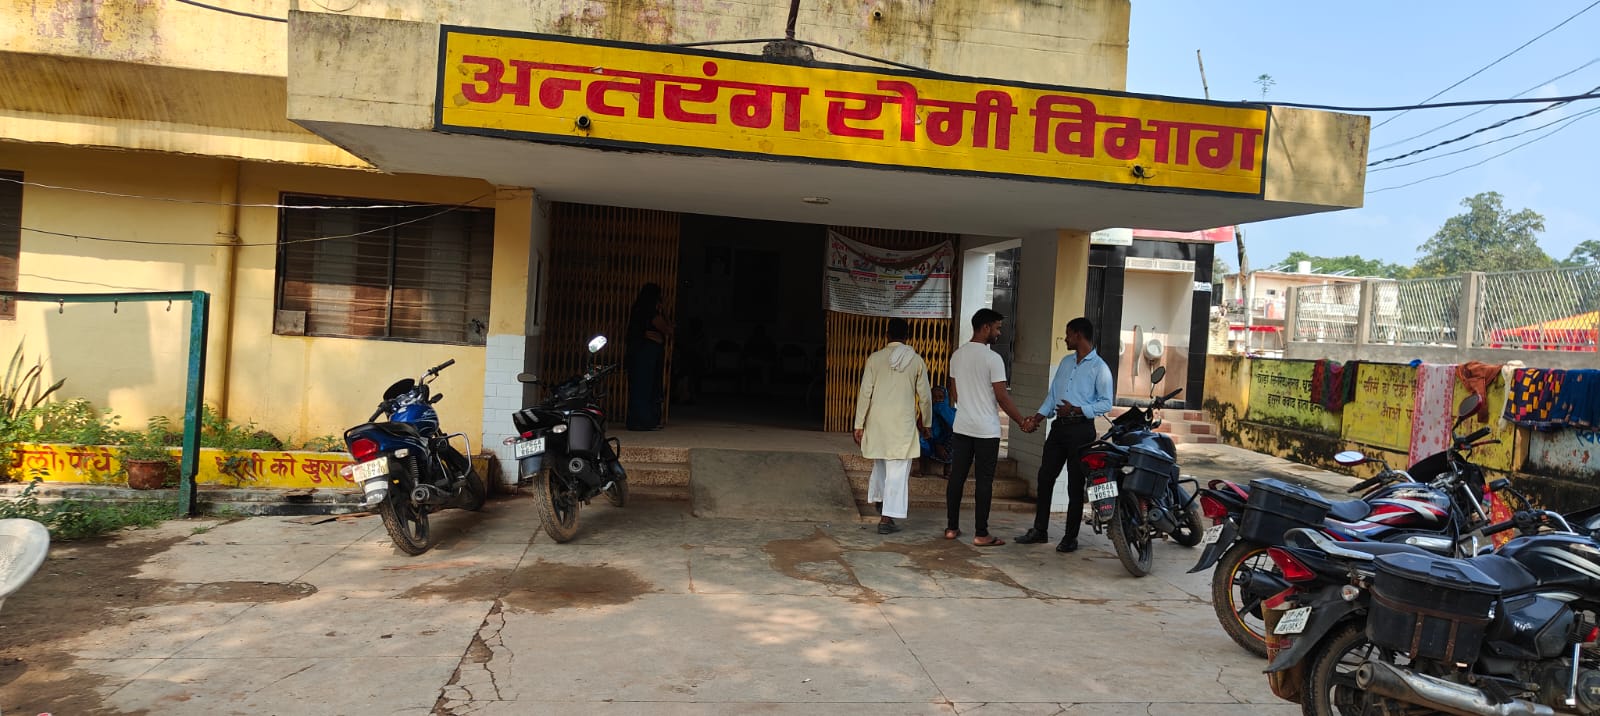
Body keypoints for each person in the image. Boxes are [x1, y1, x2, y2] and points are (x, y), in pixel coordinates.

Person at [1015, 317, 1115, 553]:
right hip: (1059, 428)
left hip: (1081, 430)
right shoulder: (1065, 362)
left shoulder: (1099, 367)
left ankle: (1070, 537)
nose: (1066, 338)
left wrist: (1078, 409)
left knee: (1075, 484)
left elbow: (1106, 403)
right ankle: (1040, 530)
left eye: (1068, 334)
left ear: (1078, 335)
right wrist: (1037, 418)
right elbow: (1053, 396)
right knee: (1045, 477)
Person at [945, 308, 1036, 546]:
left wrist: (969, 405)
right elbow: (1002, 397)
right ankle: (981, 533)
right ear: (985, 327)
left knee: (957, 477)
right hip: (986, 430)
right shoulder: (993, 359)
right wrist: (1022, 422)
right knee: (984, 481)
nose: (999, 333)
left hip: (962, 427)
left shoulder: (957, 356)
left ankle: (951, 528)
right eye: (997, 328)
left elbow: (955, 393)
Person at [853, 318, 932, 535]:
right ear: (907, 336)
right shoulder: (916, 361)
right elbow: (925, 397)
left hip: (877, 422)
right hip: (901, 424)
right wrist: (926, 423)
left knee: (880, 464)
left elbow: (865, 393)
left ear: (887, 335)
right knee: (897, 470)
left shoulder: (875, 358)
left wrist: (858, 424)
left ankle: (881, 499)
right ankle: (886, 519)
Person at [625, 283, 672, 431]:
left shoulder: (638, 310)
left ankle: (637, 420)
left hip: (639, 353)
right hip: (647, 354)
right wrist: (664, 311)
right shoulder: (650, 313)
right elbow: (667, 329)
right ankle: (645, 420)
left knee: (639, 386)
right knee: (647, 386)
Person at [919, 383, 956, 476]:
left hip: (946, 445)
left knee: (957, 438)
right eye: (934, 397)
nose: (937, 400)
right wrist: (937, 444)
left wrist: (944, 412)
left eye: (940, 397)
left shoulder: (952, 412)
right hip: (932, 442)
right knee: (921, 439)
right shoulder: (926, 413)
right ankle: (922, 469)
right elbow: (922, 428)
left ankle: (948, 469)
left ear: (946, 398)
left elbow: (953, 427)